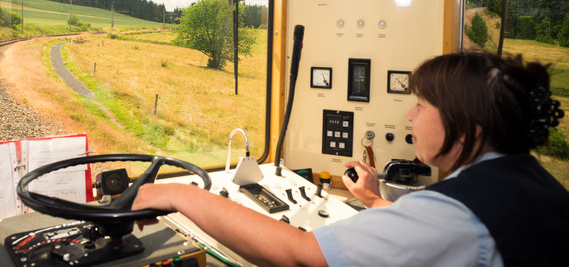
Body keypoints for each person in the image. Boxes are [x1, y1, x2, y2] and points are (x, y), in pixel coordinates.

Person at [132, 52, 568, 266]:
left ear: (470, 124)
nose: (410, 115)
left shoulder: (456, 211)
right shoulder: (529, 182)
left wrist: (176, 195)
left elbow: (299, 255)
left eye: (422, 105)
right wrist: (375, 200)